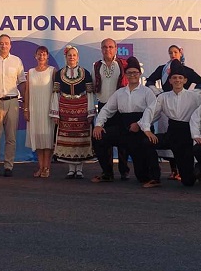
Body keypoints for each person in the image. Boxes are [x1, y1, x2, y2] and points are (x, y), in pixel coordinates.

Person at [93, 57, 160, 187]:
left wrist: (139, 124)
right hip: (124, 129)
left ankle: (154, 178)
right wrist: (98, 125)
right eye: (129, 73)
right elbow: (107, 109)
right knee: (99, 137)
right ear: (126, 75)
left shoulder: (147, 92)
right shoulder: (120, 93)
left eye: (135, 72)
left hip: (141, 129)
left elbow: (154, 112)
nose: (132, 75)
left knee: (142, 176)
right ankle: (107, 173)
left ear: (140, 74)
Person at [140, 60, 201, 186]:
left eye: (180, 78)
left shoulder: (195, 97)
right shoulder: (163, 97)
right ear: (170, 80)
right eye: (174, 78)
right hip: (171, 135)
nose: (177, 80)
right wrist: (146, 129)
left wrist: (199, 132)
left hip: (185, 138)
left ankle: (199, 169)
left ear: (185, 80)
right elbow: (150, 111)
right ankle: (155, 177)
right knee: (146, 142)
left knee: (188, 182)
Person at [49, 46, 96, 180]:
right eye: (69, 55)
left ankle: (79, 169)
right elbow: (55, 93)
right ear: (66, 57)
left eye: (74, 55)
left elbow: (90, 93)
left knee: (81, 138)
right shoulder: (59, 74)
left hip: (81, 107)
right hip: (65, 108)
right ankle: (71, 169)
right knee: (67, 138)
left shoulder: (86, 73)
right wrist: (55, 113)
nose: (72, 57)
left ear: (78, 57)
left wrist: (90, 112)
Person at [0, 34, 26, 177]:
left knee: (11, 137)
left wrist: (26, 101)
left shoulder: (16, 61)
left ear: (10, 45)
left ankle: (8, 166)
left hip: (12, 102)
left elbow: (22, 82)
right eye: (1, 43)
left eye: (6, 43)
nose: (4, 45)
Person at [93, 38, 129, 180]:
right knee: (103, 140)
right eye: (104, 47)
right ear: (101, 49)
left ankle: (124, 171)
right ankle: (107, 172)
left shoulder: (123, 64)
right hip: (103, 106)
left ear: (116, 49)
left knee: (123, 142)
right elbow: (94, 85)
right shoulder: (96, 66)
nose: (107, 49)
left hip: (120, 108)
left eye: (110, 47)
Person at [23, 46, 56, 178]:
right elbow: (27, 92)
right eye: (39, 54)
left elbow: (56, 92)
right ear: (35, 56)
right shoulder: (30, 72)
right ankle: (41, 167)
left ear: (47, 56)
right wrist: (26, 109)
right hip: (34, 109)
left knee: (47, 139)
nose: (41, 57)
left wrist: (55, 110)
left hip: (48, 109)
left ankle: (47, 168)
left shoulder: (52, 71)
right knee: (38, 139)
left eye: (44, 54)